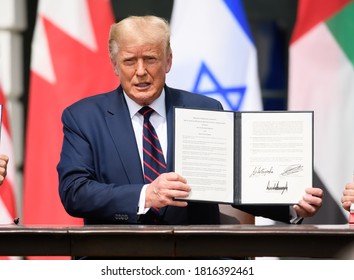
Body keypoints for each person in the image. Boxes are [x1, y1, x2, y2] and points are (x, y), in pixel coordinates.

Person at [57, 15, 323, 227]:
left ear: (168, 61)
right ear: (115, 65)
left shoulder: (205, 110)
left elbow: (236, 185)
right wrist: (145, 195)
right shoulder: (83, 117)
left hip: (196, 257)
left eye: (150, 59)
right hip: (117, 259)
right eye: (129, 61)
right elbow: (74, 191)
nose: (140, 72)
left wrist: (290, 203)